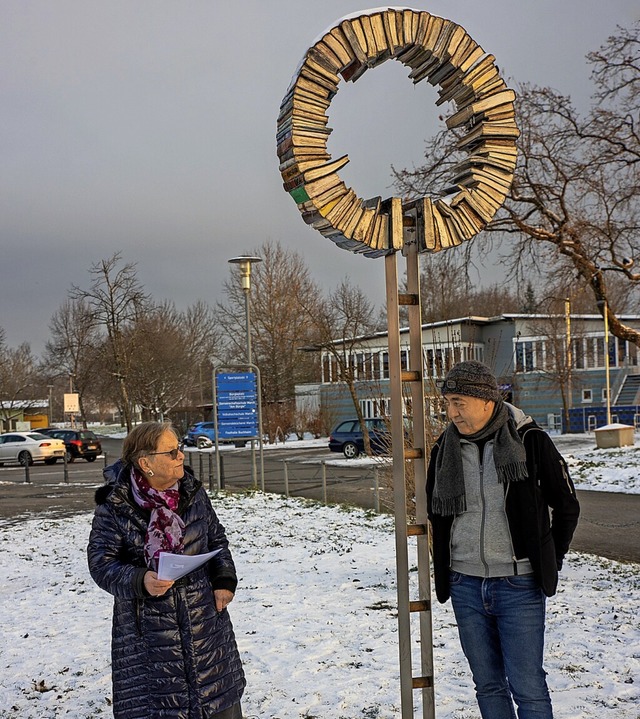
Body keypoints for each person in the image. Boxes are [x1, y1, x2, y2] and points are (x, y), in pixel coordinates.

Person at [426, 361, 580, 719]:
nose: (451, 412)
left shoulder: (530, 441)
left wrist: (545, 560)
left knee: (527, 687)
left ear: (486, 400)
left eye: (458, 402)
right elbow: (438, 514)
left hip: (518, 586)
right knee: (487, 684)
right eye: (447, 402)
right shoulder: (444, 450)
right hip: (465, 585)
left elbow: (567, 506)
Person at [87, 421, 245, 719]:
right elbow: (101, 563)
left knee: (218, 705)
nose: (181, 456)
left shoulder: (192, 492)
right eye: (172, 452)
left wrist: (224, 580)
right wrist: (139, 579)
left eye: (180, 448)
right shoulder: (115, 505)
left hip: (205, 627)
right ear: (145, 462)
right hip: (151, 638)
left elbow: (216, 539)